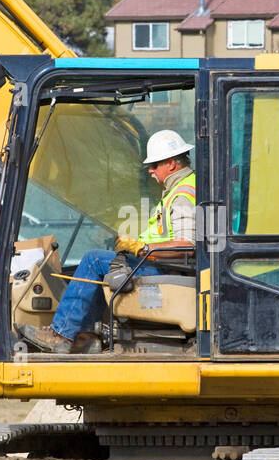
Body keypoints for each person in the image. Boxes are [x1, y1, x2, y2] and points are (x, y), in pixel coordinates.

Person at [20, 129, 196, 353]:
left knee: (93, 260)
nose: (150, 170)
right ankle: (85, 337)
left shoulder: (182, 195)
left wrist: (142, 248)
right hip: (162, 265)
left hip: (167, 270)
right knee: (106, 263)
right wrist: (133, 247)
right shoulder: (181, 188)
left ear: (171, 163)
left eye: (155, 164)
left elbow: (187, 246)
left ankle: (62, 333)